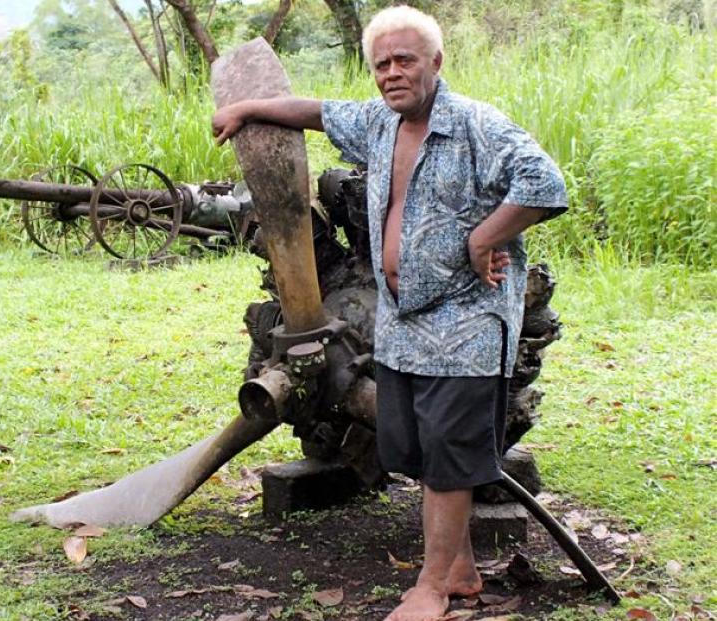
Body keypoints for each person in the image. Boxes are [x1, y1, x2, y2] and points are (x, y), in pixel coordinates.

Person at [213, 5, 567, 621]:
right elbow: (317, 113)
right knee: (411, 449)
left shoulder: (478, 126)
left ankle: (432, 588)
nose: (392, 72)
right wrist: (248, 109)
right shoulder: (378, 124)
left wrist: (483, 239)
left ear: (436, 62)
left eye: (405, 59)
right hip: (400, 324)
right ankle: (459, 567)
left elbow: (544, 183)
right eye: (382, 64)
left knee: (450, 456)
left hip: (466, 321)